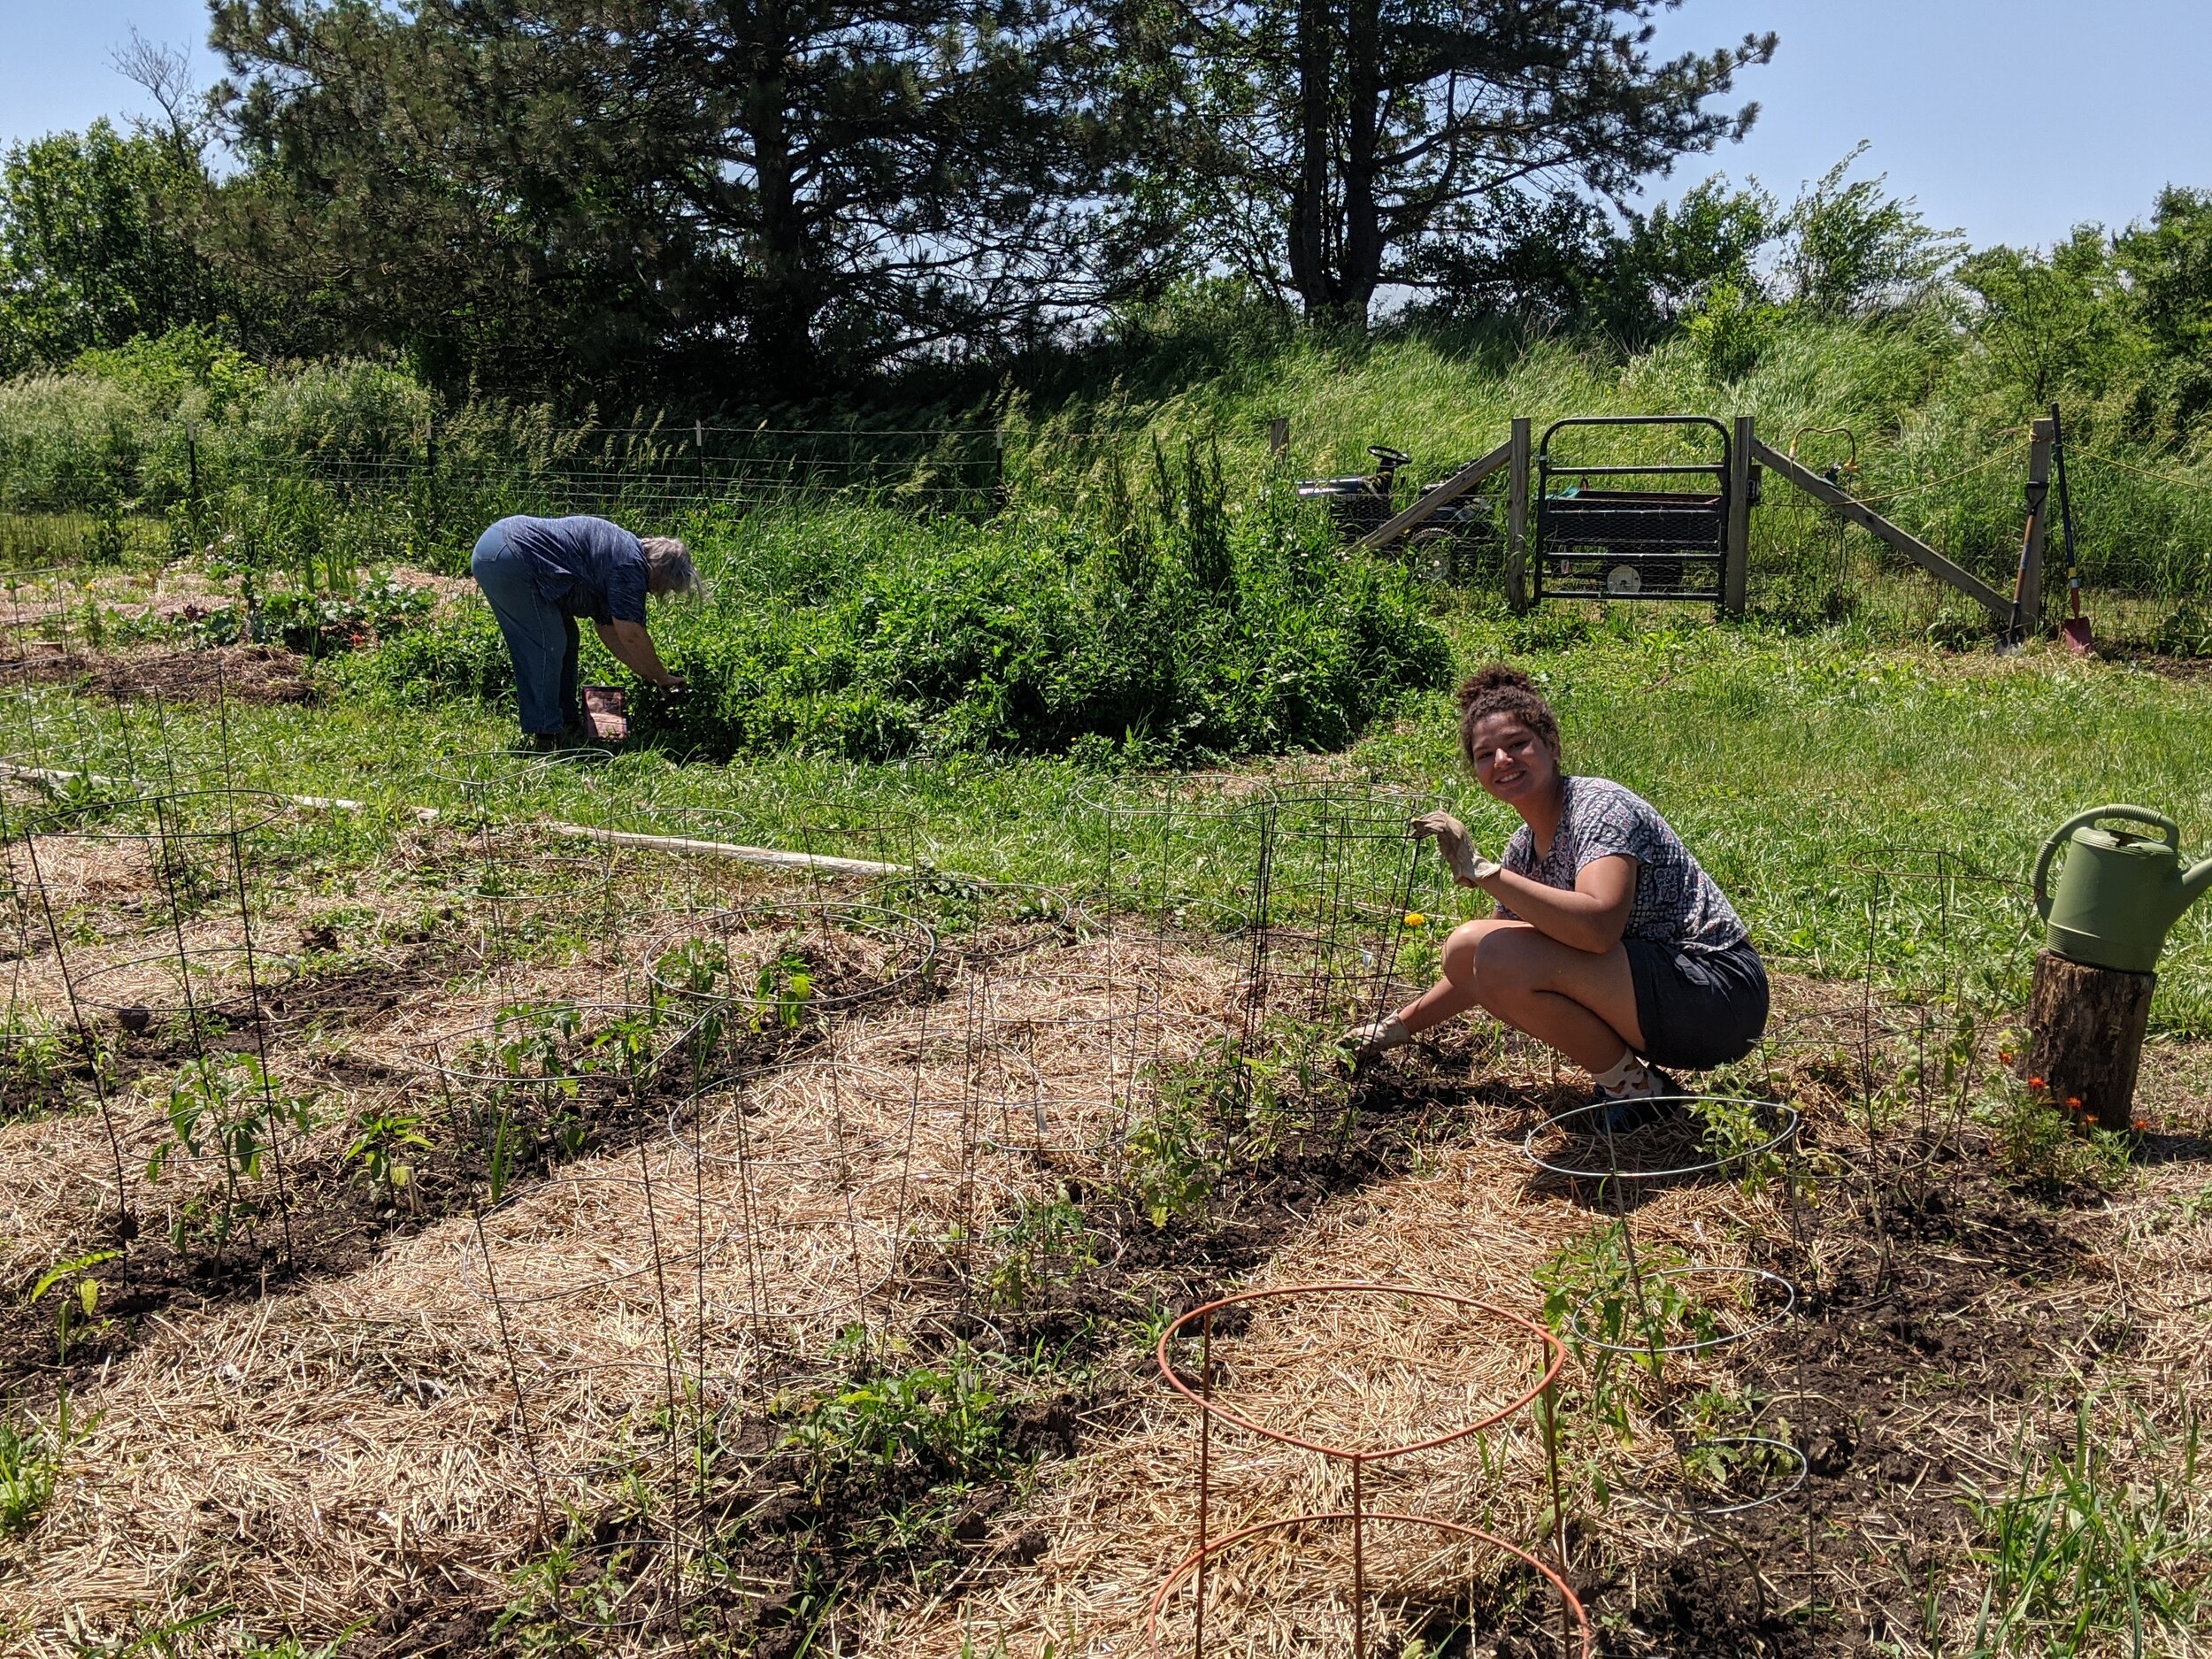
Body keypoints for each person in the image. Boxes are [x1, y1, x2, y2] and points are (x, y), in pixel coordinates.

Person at [1348, 664, 1768, 1125]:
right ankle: (1634, 1085)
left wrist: (1484, 872)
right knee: (1468, 948)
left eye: (1517, 744)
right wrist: (1394, 1028)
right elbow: (1480, 968)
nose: (1503, 761)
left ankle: (1637, 1091)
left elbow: (1598, 928)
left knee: (1483, 948)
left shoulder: (1599, 807)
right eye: (1485, 754)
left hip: (1716, 995)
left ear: (1552, 746)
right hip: (1658, 1004)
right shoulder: (1524, 849)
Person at [469, 514, 700, 748]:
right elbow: (631, 634)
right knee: (548, 642)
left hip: (502, 546)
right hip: (508, 556)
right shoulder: (630, 565)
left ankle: (566, 722)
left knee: (567, 637)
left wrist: (650, 674)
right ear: (662, 569)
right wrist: (661, 675)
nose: (660, 591)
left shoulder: (623, 553)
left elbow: (609, 631)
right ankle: (545, 736)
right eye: (668, 585)